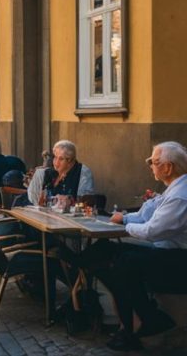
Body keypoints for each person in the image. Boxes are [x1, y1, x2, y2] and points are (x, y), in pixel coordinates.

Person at [85, 142, 187, 351]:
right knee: (103, 251)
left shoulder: (180, 195)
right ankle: (143, 318)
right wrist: (124, 218)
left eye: (154, 162)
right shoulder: (174, 188)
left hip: (178, 259)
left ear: (168, 167)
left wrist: (126, 226)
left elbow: (152, 230)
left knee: (125, 263)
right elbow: (147, 215)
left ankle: (137, 325)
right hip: (167, 252)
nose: (150, 166)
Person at [25, 140, 94, 207]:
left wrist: (70, 202)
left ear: (70, 160)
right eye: (55, 157)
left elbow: (85, 203)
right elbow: (36, 201)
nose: (56, 162)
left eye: (61, 159)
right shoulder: (49, 172)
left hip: (70, 216)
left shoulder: (82, 172)